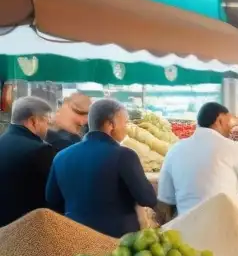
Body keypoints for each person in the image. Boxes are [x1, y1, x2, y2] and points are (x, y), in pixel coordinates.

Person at [46, 99, 157, 238]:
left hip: (75, 238)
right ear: (111, 125)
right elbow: (148, 199)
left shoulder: (61, 157)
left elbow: (51, 199)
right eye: (125, 122)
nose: (126, 128)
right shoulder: (125, 156)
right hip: (116, 244)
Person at [157, 102, 238, 220]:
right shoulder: (233, 148)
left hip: (184, 230)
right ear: (219, 120)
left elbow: (165, 198)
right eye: (229, 122)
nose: (231, 128)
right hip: (224, 227)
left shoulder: (175, 150)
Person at [0, 97, 55, 227]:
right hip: (28, 229)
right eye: (47, 122)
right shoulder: (40, 150)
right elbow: (52, 194)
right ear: (33, 121)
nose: (48, 128)